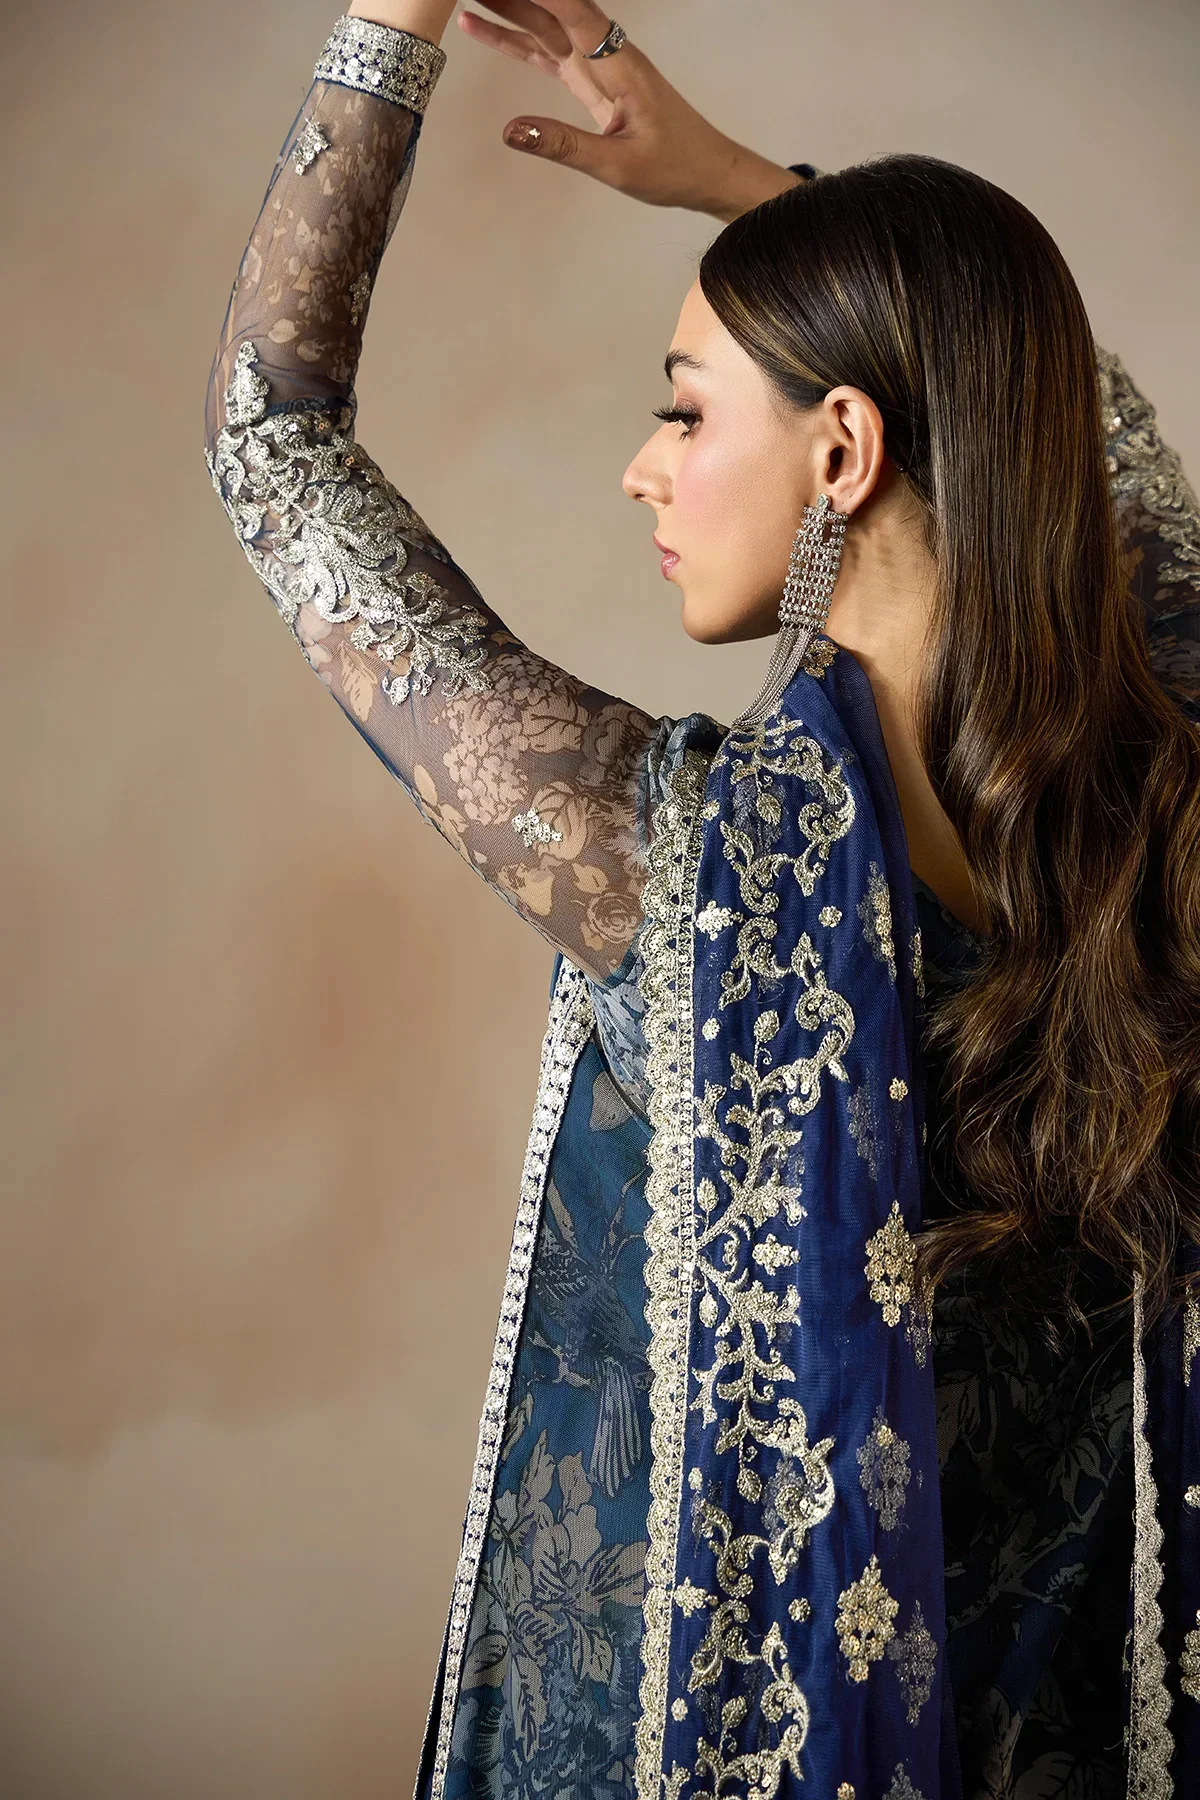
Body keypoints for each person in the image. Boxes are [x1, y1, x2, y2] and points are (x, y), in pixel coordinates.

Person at [203, 4, 1200, 1796]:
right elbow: (1080, 419)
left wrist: (392, 23)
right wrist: (744, 190)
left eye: (682, 409)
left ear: (844, 451)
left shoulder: (690, 870)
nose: (643, 465)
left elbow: (272, 441)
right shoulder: (1158, 823)